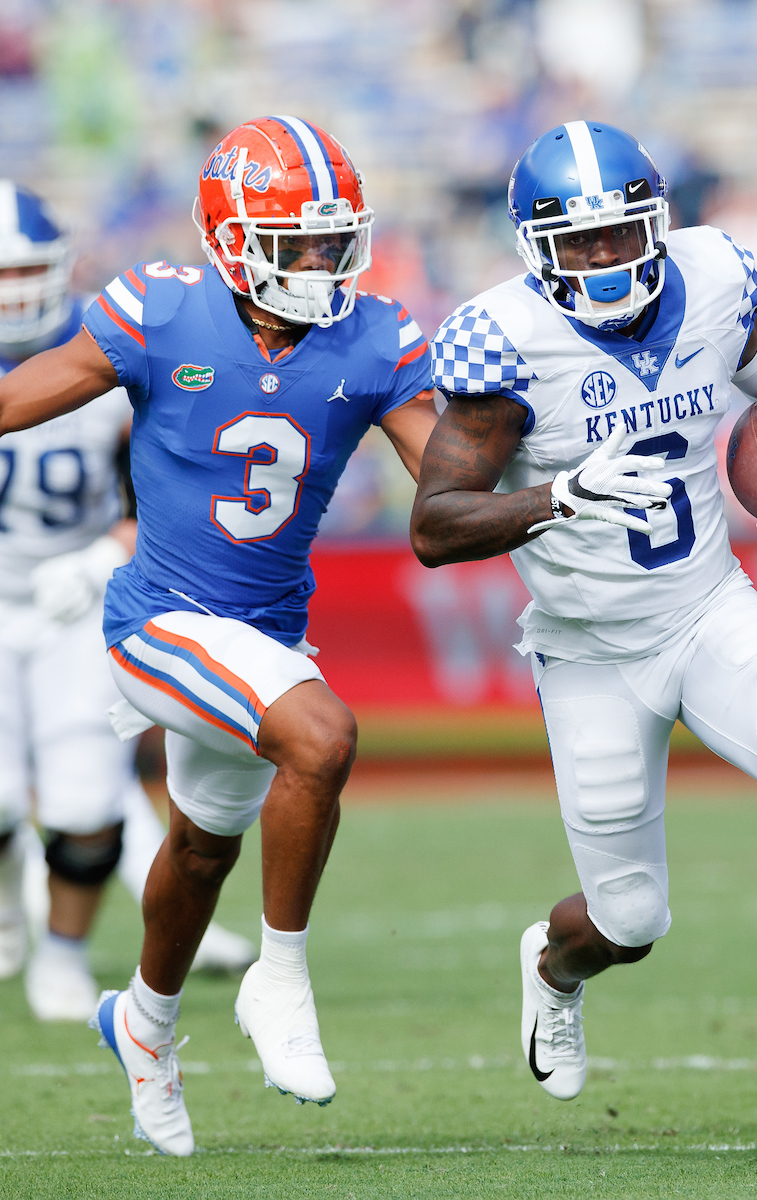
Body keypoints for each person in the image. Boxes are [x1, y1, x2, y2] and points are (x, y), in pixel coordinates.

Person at [411, 121, 757, 1128]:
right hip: (589, 654)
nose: (606, 260)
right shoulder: (505, 341)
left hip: (709, 610)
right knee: (628, 920)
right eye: (580, 244)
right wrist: (559, 496)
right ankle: (553, 969)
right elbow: (433, 528)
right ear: (537, 250)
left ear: (657, 224)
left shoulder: (710, 278)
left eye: (621, 235)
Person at [0, 118, 437, 1156]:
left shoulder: (377, 336)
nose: (323, 263)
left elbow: (455, 487)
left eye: (336, 241)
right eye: (300, 242)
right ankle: (280, 979)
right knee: (321, 738)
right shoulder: (161, 310)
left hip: (265, 634)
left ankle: (142, 1024)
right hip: (154, 621)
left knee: (199, 853)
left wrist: (537, 478)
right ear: (233, 237)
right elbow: (18, 394)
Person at [0, 182, 255, 1023]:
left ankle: (63, 956)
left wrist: (103, 556)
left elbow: (164, 494)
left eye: (25, 271)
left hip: (80, 593)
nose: (14, 291)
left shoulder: (109, 346)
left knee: (81, 796)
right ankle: (11, 900)